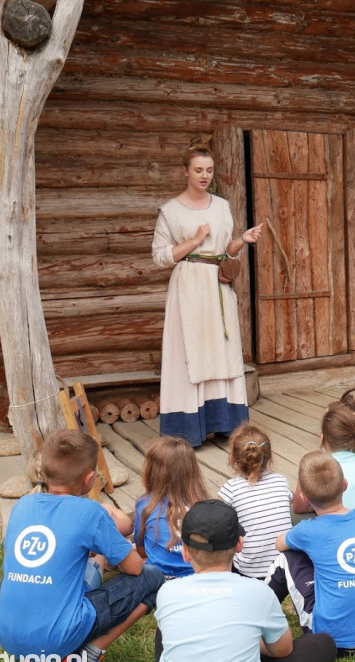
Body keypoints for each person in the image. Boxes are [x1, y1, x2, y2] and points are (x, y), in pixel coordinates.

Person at [0, 430, 163, 662]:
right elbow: (135, 568)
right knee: (154, 577)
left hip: (4, 627)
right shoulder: (90, 511)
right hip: (58, 632)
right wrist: (113, 545)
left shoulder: (22, 505)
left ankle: (28, 658)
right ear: (89, 478)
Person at [152, 139, 263, 447]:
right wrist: (194, 240)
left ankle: (226, 423)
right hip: (188, 287)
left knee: (221, 349)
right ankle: (188, 428)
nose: (204, 176)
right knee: (190, 351)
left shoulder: (222, 206)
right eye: (198, 170)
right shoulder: (171, 211)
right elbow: (160, 256)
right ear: (185, 171)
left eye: (209, 170)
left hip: (217, 286)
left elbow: (226, 249)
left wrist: (242, 240)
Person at [155, 500, 336, 662]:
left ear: (185, 552)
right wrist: (246, 640)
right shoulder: (259, 592)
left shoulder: (167, 593)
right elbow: (282, 650)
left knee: (163, 631)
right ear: (239, 544)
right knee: (322, 644)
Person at [267, 452, 355, 656]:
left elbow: (279, 544)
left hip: (330, 639)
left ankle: (258, 608)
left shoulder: (308, 530)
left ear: (303, 498)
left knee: (287, 557)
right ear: (345, 485)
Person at [293, 403, 355, 554]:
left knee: (292, 513)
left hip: (341, 546)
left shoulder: (321, 466)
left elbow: (299, 507)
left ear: (322, 438)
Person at [218, 424, 293, 579]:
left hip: (249, 570)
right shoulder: (281, 481)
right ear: (269, 456)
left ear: (233, 459)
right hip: (284, 568)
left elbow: (216, 520)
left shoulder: (230, 489)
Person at [134, 436, 211, 579]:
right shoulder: (207, 505)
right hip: (198, 575)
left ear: (151, 472)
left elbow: (141, 550)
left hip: (158, 576)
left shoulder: (145, 504)